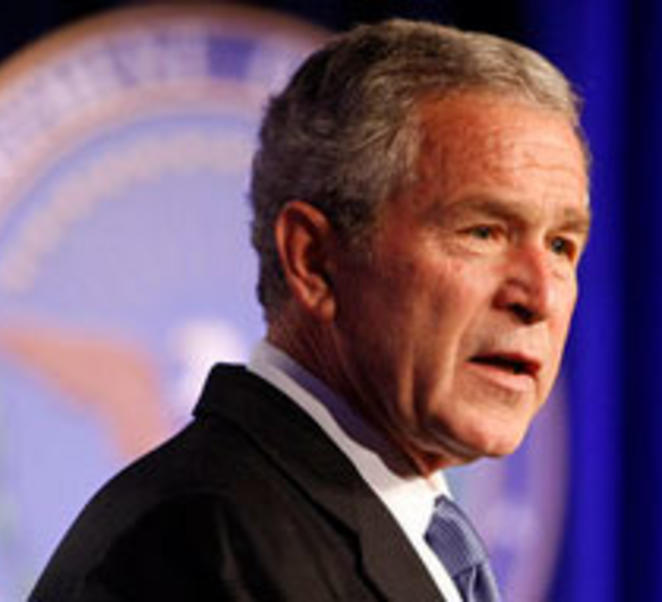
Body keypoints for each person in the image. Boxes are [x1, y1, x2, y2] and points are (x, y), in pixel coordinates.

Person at [30, 18, 590, 602]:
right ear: (315, 261)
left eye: (561, 246)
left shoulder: (410, 533)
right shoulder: (197, 548)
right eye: (483, 231)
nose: (541, 297)